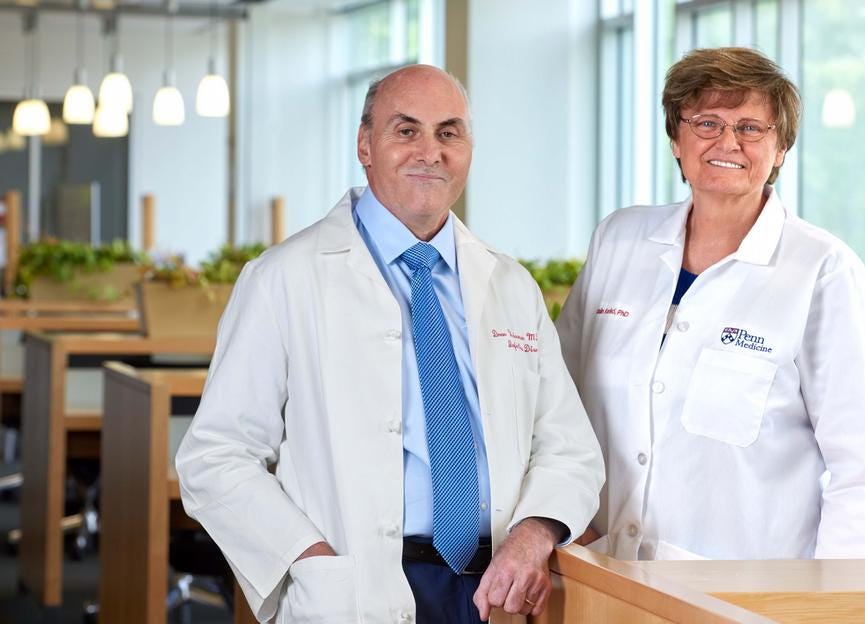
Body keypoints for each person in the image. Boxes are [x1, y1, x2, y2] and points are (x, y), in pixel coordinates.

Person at [175, 64, 604, 623]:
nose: (431, 151)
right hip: (355, 588)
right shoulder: (284, 278)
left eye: (449, 132)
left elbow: (569, 447)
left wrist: (533, 533)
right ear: (365, 145)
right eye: (406, 130)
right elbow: (216, 455)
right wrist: (310, 559)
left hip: (491, 589)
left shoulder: (509, 283)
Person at [556, 47, 865, 562]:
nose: (728, 142)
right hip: (600, 576)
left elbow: (861, 472)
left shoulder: (822, 269)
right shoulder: (618, 240)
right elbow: (556, 404)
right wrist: (562, 523)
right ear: (676, 137)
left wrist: (821, 603)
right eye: (706, 122)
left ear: (781, 148)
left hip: (745, 595)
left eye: (751, 128)